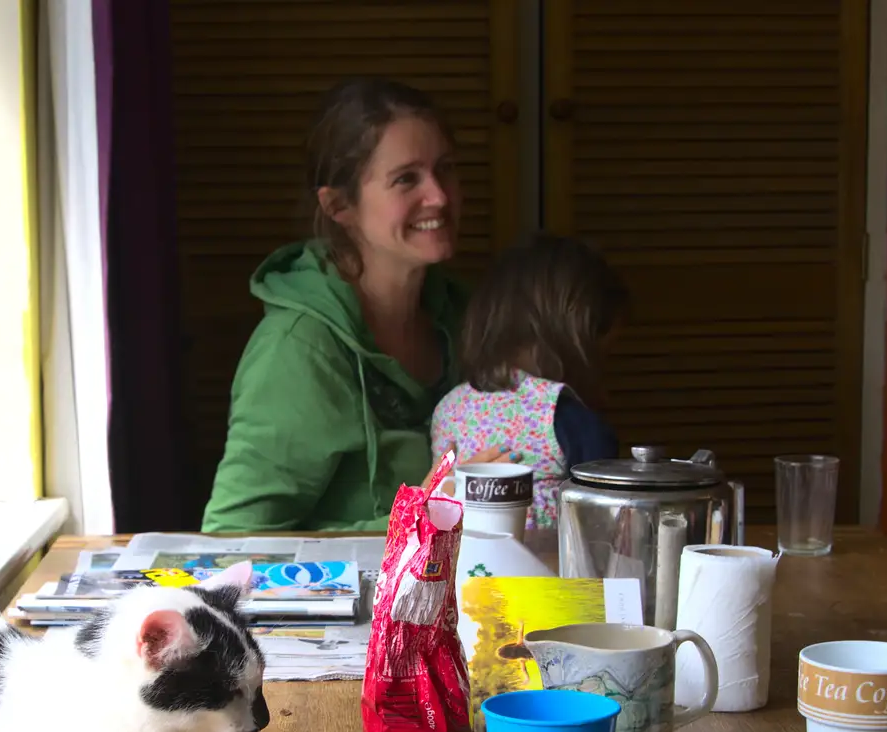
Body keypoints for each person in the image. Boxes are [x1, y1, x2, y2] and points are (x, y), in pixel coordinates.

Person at [200, 79, 508, 533]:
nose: (439, 196)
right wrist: (418, 521)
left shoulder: (468, 314)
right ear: (340, 206)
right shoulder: (298, 349)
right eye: (407, 179)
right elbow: (233, 539)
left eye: (446, 169)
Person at [430, 233, 628, 528]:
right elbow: (608, 519)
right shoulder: (566, 417)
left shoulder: (450, 405)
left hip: (458, 564)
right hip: (540, 568)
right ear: (579, 340)